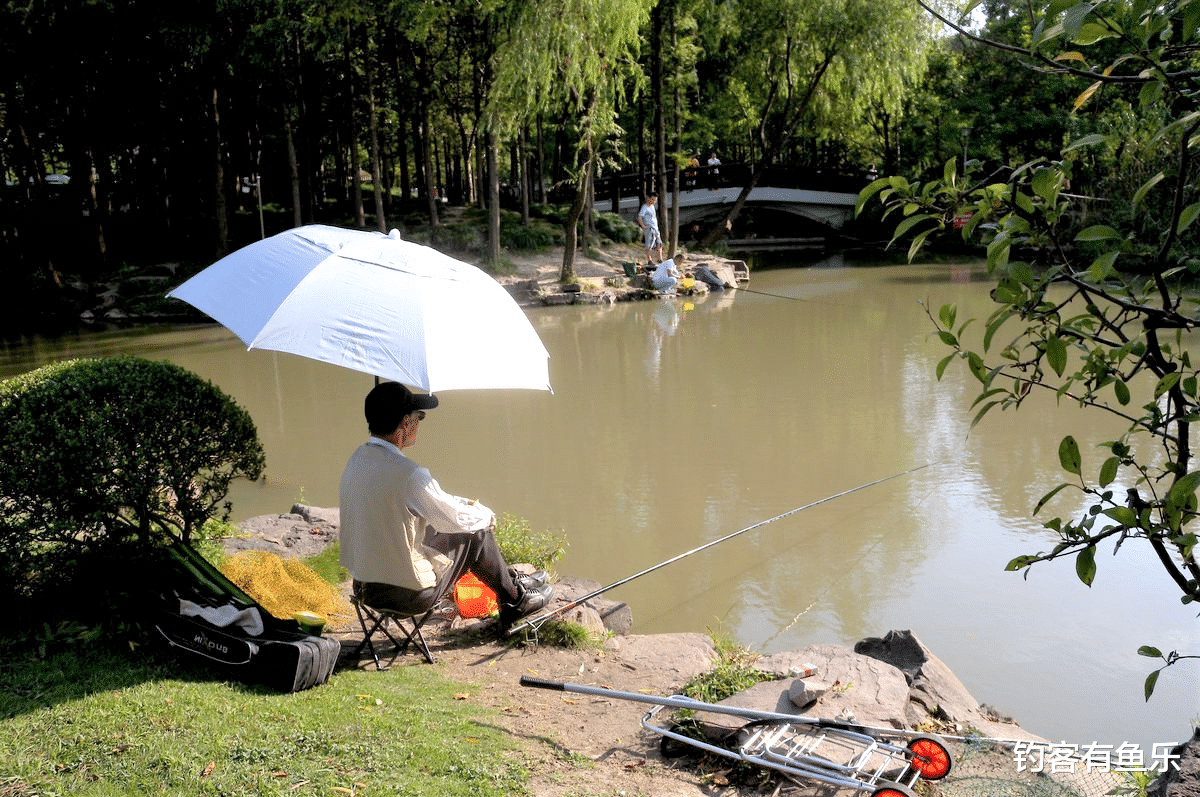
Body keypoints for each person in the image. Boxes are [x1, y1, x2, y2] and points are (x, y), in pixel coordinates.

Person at [339, 381, 553, 630]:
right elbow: (453, 519)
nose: (419, 422)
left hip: (366, 587)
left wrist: (462, 506)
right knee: (477, 533)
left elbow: (431, 504)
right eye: (419, 417)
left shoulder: (356, 461)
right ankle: (515, 600)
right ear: (406, 423)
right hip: (406, 594)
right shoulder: (409, 475)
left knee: (438, 528)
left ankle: (511, 582)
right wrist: (485, 515)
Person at [637, 192, 664, 266]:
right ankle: (649, 260)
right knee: (649, 245)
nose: (654, 201)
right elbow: (639, 217)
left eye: (655, 200)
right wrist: (643, 226)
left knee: (659, 244)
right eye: (653, 199)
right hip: (649, 228)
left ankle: (660, 259)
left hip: (655, 228)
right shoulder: (644, 207)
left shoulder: (652, 207)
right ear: (648, 198)